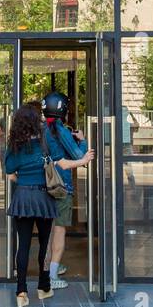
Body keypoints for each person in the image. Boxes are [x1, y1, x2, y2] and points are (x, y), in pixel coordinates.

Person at [3, 103, 55, 307]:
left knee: (23, 245)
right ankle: (44, 287)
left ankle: (21, 292)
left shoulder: (15, 144)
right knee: (44, 244)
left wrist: (22, 180)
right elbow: (56, 161)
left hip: (23, 197)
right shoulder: (45, 140)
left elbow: (9, 170)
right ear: (36, 121)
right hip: (44, 197)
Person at [41, 90, 94, 290]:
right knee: (60, 230)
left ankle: (48, 267)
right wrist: (82, 139)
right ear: (62, 109)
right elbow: (79, 155)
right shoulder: (60, 130)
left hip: (44, 183)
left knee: (48, 229)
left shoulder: (43, 128)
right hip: (61, 186)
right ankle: (52, 274)